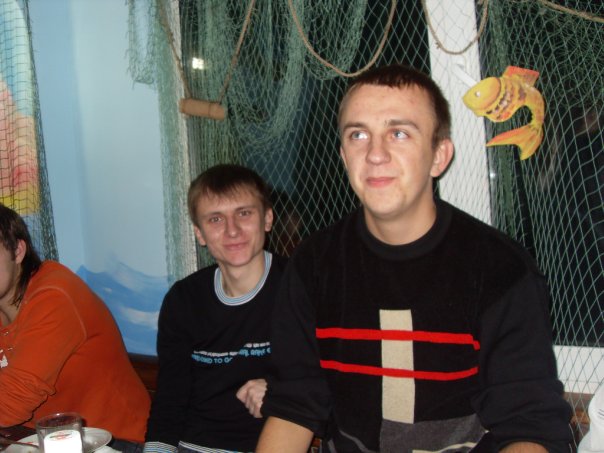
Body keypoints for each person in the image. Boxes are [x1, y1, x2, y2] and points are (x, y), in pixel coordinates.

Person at [257, 65, 572, 452]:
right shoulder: (312, 265)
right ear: (343, 155)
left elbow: (530, 428)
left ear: (439, 156)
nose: (375, 154)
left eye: (399, 133)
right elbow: (293, 408)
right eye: (358, 135)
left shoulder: (501, 268)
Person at [144, 164, 287, 453]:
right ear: (199, 234)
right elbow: (170, 399)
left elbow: (332, 377)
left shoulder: (300, 287)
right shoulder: (183, 299)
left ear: (267, 219)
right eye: (216, 219)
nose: (232, 230)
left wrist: (280, 390)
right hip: (191, 445)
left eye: (244, 213)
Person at [0, 204, 151, 444]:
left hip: (118, 442)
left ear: (18, 251)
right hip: (40, 438)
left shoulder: (55, 295)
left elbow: (11, 404)